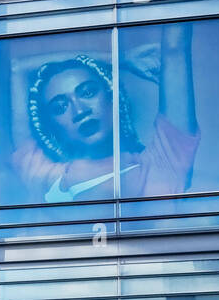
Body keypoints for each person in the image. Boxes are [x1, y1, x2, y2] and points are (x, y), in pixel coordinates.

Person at [11, 24, 198, 208]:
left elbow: (175, 48)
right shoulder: (43, 176)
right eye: (60, 107)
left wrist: (112, 62)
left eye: (88, 92)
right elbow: (18, 68)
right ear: (52, 128)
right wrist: (118, 59)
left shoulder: (163, 162)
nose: (79, 110)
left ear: (112, 98)